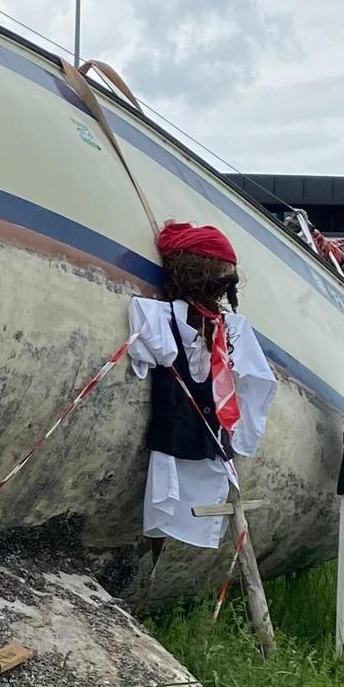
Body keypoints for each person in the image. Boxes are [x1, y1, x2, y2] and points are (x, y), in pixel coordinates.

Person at [127, 220, 277, 545]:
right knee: (175, 511)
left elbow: (258, 382)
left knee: (187, 511)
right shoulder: (159, 318)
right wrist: (242, 438)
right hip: (180, 443)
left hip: (203, 447)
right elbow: (258, 384)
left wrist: (240, 437)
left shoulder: (229, 328)